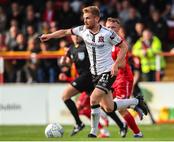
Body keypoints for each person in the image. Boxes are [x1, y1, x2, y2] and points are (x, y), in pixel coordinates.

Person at [40, 6, 148, 138]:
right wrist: (50, 36)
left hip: (108, 72)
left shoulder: (108, 33)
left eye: (88, 18)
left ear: (96, 19)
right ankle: (136, 102)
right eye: (84, 18)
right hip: (94, 74)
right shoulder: (83, 30)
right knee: (109, 107)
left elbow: (124, 46)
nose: (85, 21)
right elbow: (64, 32)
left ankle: (93, 132)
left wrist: (115, 65)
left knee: (93, 98)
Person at [105, 17, 144, 138]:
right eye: (108, 27)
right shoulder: (105, 41)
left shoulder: (121, 42)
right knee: (106, 105)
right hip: (111, 78)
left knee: (118, 107)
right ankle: (134, 106)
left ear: (119, 29)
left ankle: (137, 131)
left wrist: (108, 64)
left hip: (123, 77)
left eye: (113, 27)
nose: (110, 29)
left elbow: (122, 64)